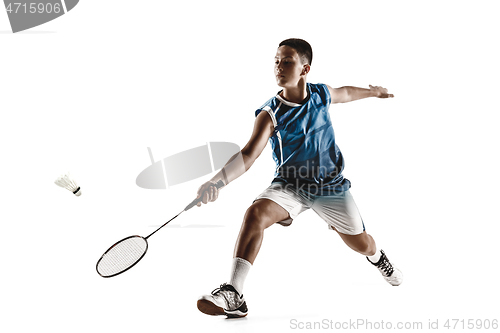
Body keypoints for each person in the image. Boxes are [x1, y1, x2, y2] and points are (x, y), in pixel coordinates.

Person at [194, 38, 403, 318]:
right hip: (290, 185)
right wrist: (216, 182)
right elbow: (248, 154)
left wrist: (373, 92)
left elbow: (346, 93)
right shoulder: (270, 113)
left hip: (331, 187)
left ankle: (379, 259)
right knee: (255, 213)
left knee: (362, 243)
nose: (279, 67)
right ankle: (234, 293)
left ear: (305, 69)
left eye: (287, 61)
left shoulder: (321, 95)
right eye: (277, 61)